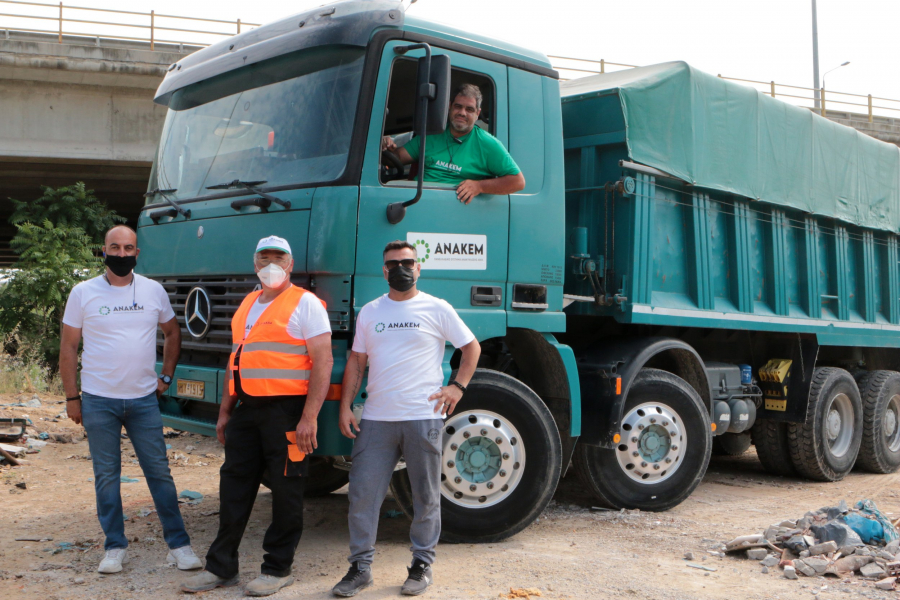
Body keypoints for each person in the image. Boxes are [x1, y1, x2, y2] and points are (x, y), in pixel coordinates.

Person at [181, 235, 334, 597]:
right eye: (264, 257)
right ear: (254, 263)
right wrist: (224, 412)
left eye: (278, 257)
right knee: (234, 485)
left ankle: (278, 569)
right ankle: (221, 567)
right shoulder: (248, 303)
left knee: (286, 490)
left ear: (290, 264)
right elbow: (236, 360)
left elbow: (323, 362)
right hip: (247, 410)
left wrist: (309, 418)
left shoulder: (306, 303)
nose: (271, 263)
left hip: (288, 412)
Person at [332, 240, 481, 597]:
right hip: (377, 418)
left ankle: (422, 564)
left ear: (419, 268)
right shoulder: (370, 312)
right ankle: (360, 567)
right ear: (383, 270)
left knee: (425, 495)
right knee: (363, 494)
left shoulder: (437, 308)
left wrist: (457, 387)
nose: (401, 268)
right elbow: (357, 361)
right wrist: (345, 405)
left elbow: (471, 347)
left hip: (422, 417)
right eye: (393, 263)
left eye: (407, 262)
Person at [60, 225, 201, 574]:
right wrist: (71, 397)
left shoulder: (153, 291)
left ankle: (179, 545)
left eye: (128, 248)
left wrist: (166, 376)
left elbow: (172, 332)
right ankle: (114, 547)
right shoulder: (83, 292)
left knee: (159, 474)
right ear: (103, 251)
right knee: (106, 476)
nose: (121, 254)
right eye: (114, 247)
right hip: (98, 400)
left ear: (137, 253)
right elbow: (68, 346)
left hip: (142, 400)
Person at [382, 83, 526, 204]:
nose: (462, 113)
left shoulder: (488, 144)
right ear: (450, 106)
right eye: (458, 106)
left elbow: (517, 181)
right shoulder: (432, 134)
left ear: (478, 113)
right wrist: (385, 145)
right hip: (415, 200)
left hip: (453, 208)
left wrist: (479, 186)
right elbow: (397, 158)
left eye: (469, 109)